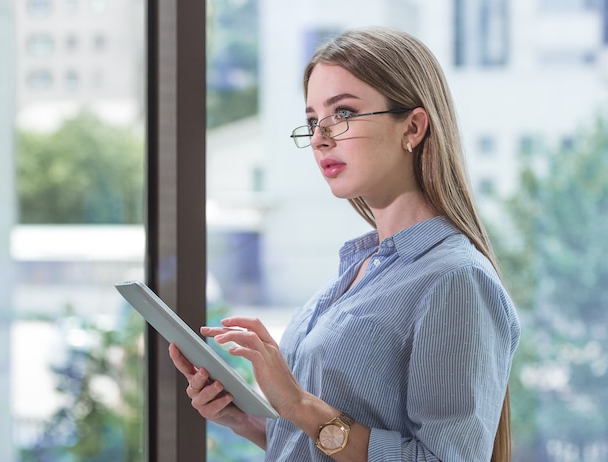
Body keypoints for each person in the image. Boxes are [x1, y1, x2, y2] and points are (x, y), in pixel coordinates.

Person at [169, 26, 520, 461]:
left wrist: (299, 404)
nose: (319, 137)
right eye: (314, 120)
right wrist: (251, 421)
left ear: (413, 127)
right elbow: (328, 444)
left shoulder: (456, 280)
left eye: (344, 113)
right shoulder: (362, 265)